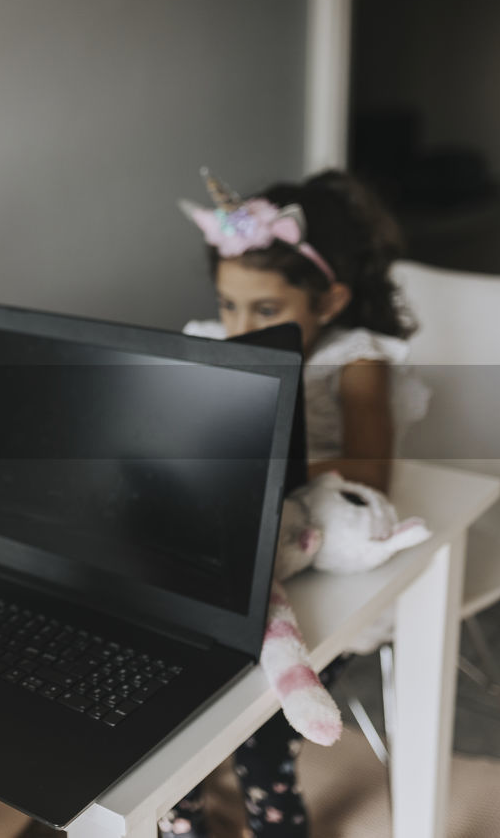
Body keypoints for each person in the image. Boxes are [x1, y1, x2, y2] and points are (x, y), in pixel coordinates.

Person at [160, 170, 427, 837]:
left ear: (330, 299)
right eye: (229, 307)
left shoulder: (356, 361)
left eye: (266, 311)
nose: (241, 327)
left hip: (329, 563)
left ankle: (276, 818)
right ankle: (176, 813)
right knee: (170, 694)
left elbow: (372, 470)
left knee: (262, 724)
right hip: (238, 552)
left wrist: (270, 457)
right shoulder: (213, 343)